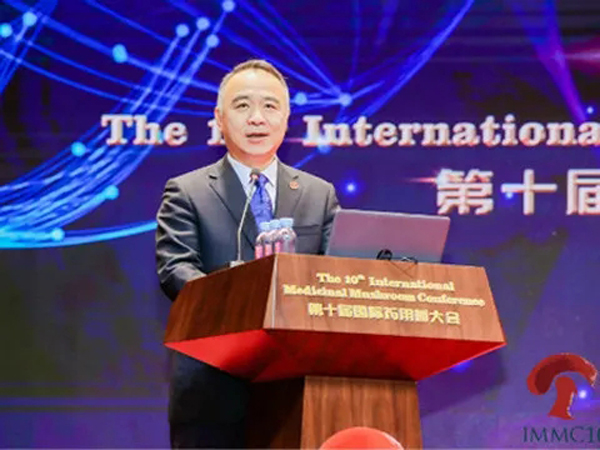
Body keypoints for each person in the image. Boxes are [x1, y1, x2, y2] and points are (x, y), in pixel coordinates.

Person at [155, 59, 340, 448]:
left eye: (270, 106)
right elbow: (175, 269)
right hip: (212, 388)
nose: (257, 117)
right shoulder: (187, 191)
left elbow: (335, 274)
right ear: (219, 119)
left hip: (298, 387)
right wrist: (241, 297)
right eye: (242, 106)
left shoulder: (319, 194)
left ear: (286, 118)